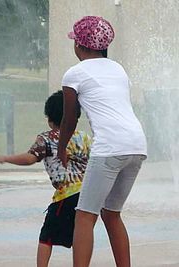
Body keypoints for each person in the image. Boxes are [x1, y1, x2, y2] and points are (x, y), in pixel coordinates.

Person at [57, 16, 147, 267]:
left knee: (85, 216)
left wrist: (62, 147)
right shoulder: (117, 68)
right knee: (111, 213)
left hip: (110, 147)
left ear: (80, 46)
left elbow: (69, 119)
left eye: (75, 41)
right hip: (137, 146)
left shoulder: (74, 73)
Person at [0, 90, 91, 267]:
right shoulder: (84, 137)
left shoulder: (47, 138)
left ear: (50, 119)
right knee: (79, 235)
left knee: (46, 237)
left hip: (66, 196)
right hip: (88, 196)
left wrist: (6, 158)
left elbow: (30, 158)